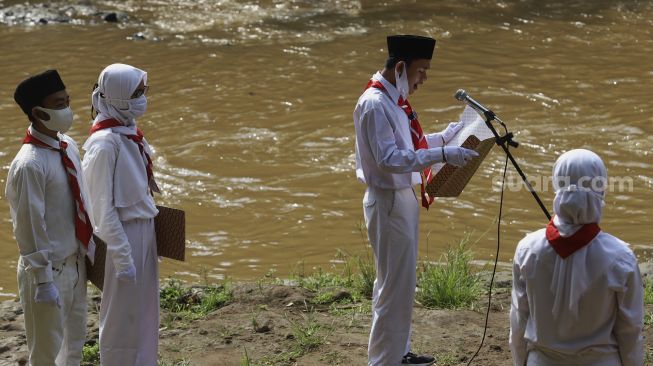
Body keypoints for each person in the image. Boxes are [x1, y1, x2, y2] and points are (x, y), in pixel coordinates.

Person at [353, 35, 479, 366]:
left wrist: (447, 135)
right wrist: (443, 153)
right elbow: (389, 159)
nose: (424, 78)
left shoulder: (394, 100)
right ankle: (384, 361)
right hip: (388, 199)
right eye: (421, 70)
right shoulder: (374, 103)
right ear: (400, 67)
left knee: (402, 284)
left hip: (402, 197)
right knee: (393, 287)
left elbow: (410, 146)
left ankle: (399, 353)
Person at [509, 149, 644, 366]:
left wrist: (520, 362)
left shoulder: (527, 249)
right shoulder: (621, 257)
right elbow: (630, 330)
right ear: (602, 187)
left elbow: (519, 321)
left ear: (556, 185)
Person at [6, 69, 94, 365]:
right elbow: (28, 225)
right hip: (48, 272)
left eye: (67, 100)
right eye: (58, 104)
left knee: (74, 346)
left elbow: (80, 201)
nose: (67, 109)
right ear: (37, 112)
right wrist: (43, 281)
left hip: (76, 264)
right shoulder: (29, 165)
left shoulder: (68, 146)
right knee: (45, 354)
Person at [82, 63, 160, 366]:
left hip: (142, 230)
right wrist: (123, 256)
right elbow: (102, 209)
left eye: (143, 91)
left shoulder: (128, 132)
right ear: (116, 97)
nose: (143, 98)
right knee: (120, 319)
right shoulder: (104, 145)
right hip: (122, 237)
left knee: (144, 311)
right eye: (137, 93)